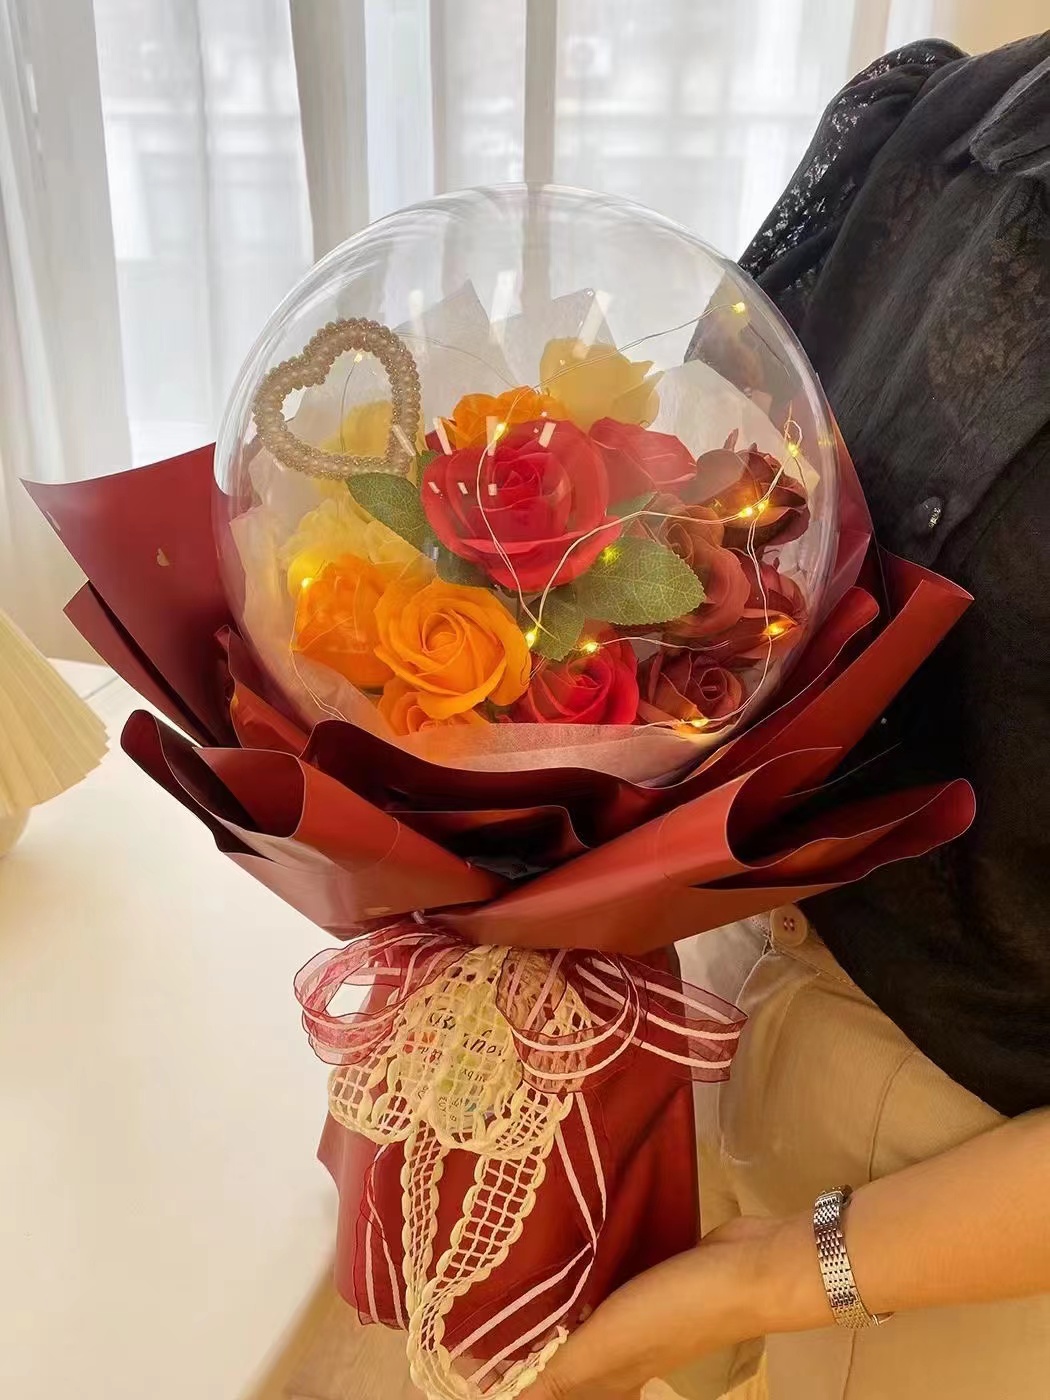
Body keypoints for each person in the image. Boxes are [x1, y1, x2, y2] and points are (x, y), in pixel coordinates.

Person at [521, 33, 1050, 1400]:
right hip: (721, 984)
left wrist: (771, 1276)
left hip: (968, 1199)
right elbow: (707, 542)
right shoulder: (941, 128)